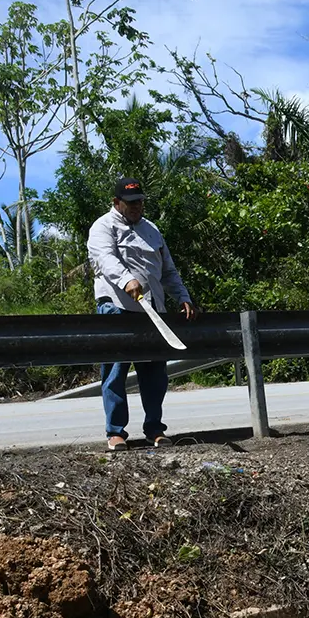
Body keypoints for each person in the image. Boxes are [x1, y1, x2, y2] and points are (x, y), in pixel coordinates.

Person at [88, 176, 198, 451]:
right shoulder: (103, 227)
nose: (137, 207)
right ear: (117, 203)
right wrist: (127, 279)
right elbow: (106, 259)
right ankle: (115, 432)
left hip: (153, 310)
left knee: (154, 374)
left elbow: (168, 270)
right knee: (115, 372)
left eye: (140, 202)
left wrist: (182, 296)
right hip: (118, 307)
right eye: (131, 203)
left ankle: (154, 429)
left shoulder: (152, 230)